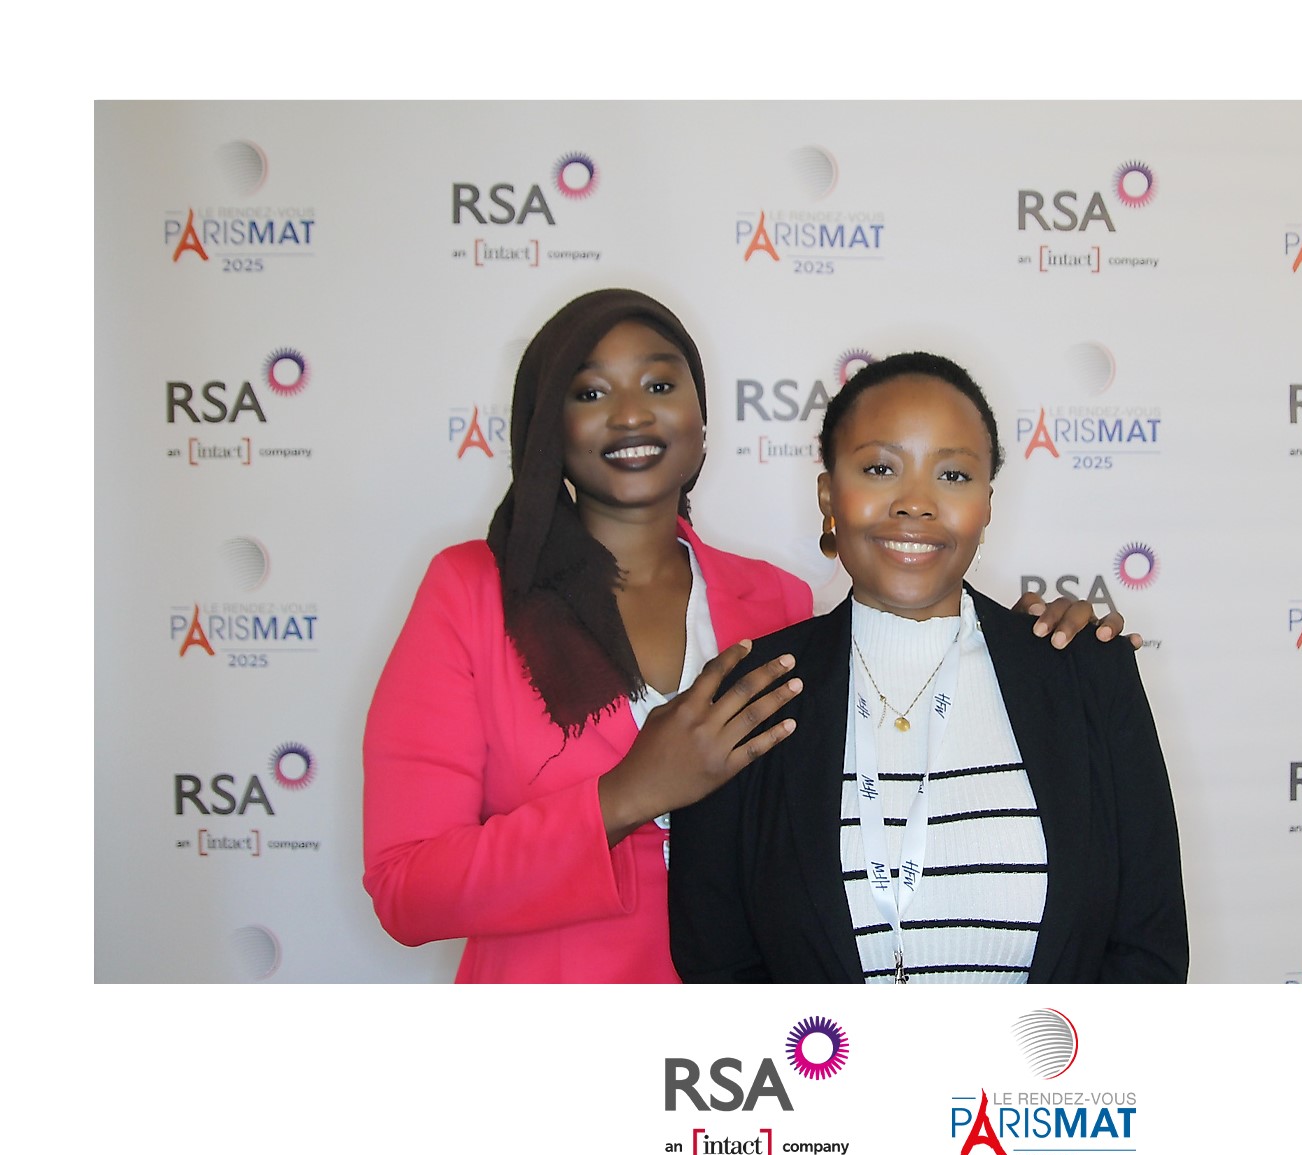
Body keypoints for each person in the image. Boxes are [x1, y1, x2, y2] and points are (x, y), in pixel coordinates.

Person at [362, 291, 1128, 983]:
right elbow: (406, 887)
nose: (630, 415)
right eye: (590, 392)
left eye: (660, 385)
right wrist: (625, 797)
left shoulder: (774, 603)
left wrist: (1038, 649)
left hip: (759, 1050)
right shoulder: (471, 593)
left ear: (702, 420)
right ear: (545, 425)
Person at [669, 351, 1188, 983]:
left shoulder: (1087, 676)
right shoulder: (748, 698)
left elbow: (1148, 955)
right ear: (829, 495)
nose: (915, 503)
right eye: (880, 468)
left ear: (987, 505)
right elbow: (718, 971)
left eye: (953, 475)